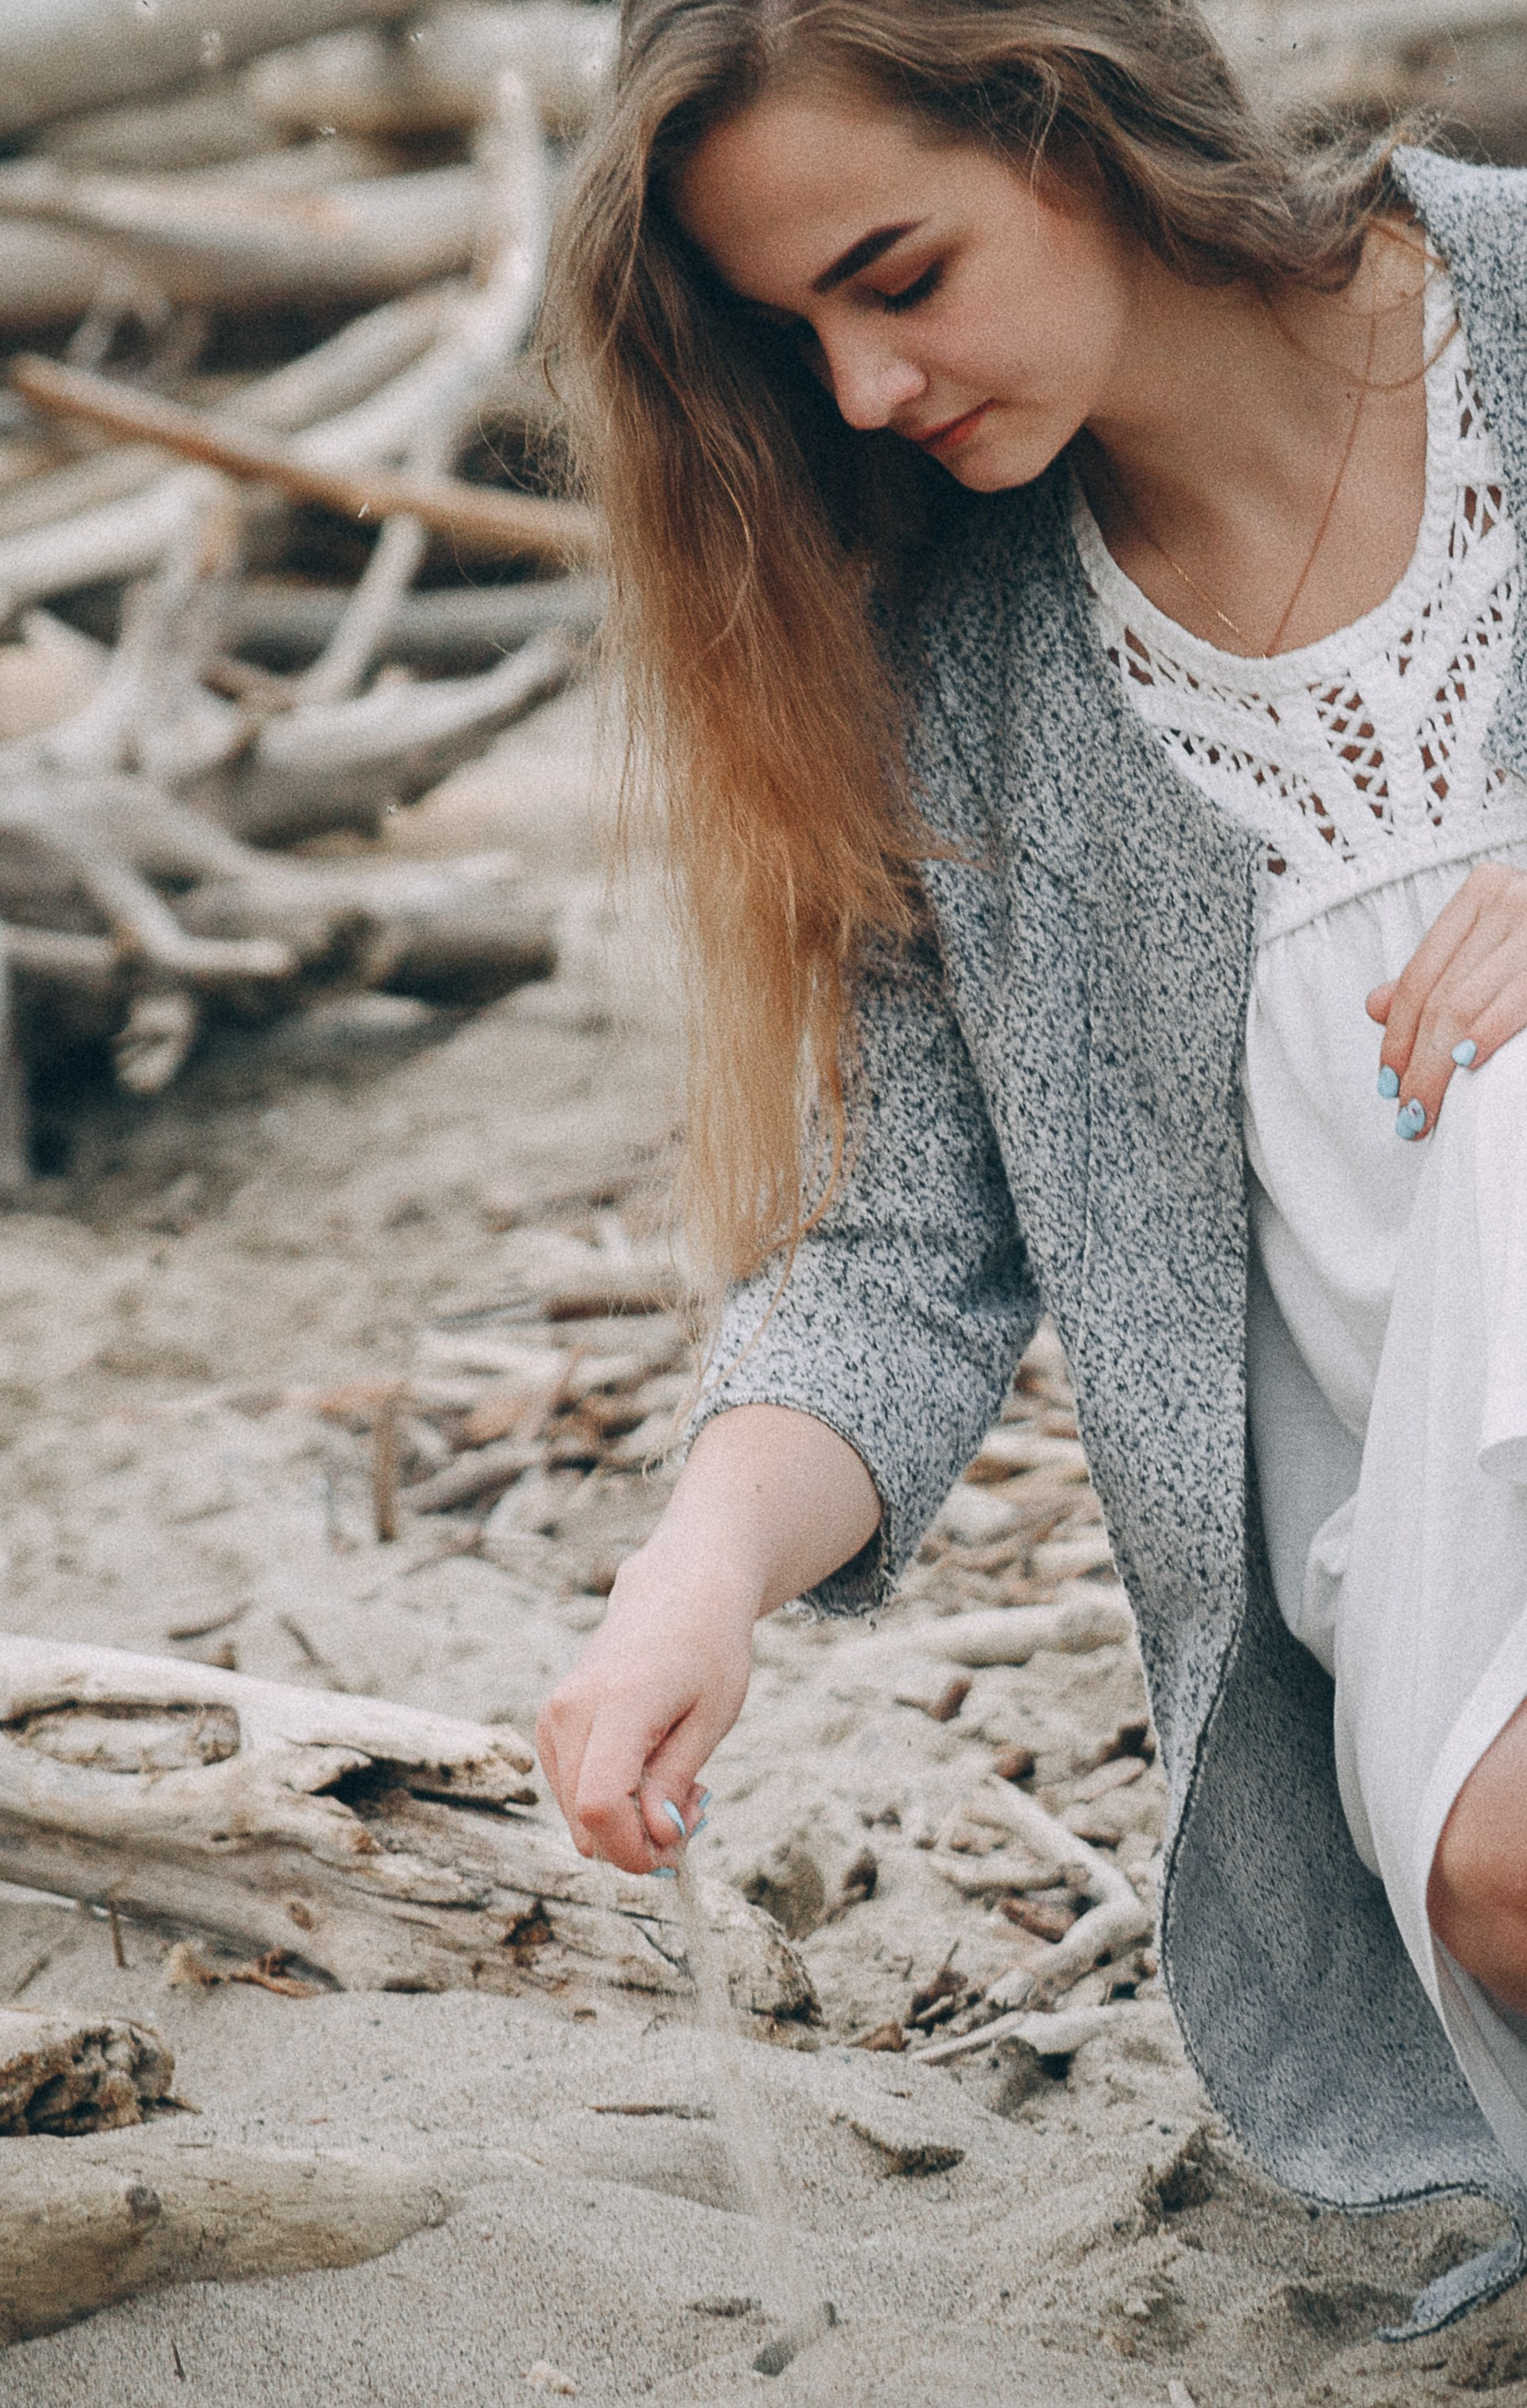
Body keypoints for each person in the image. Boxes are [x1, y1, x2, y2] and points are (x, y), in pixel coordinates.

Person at [536, 0, 1527, 2334]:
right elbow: (899, 1257)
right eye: (804, 341)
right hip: (1431, 1536)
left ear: (1071, 116)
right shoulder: (948, 660)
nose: (870, 393)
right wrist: (694, 1580)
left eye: (900, 273)